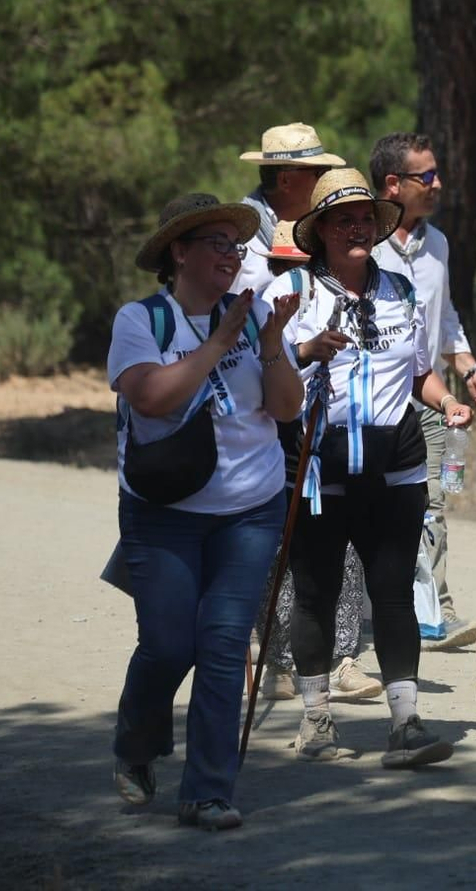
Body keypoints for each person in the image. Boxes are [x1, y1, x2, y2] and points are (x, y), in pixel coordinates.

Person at [109, 193, 304, 830]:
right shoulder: (142, 321)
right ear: (179, 252)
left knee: (222, 647)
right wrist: (219, 341)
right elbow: (152, 398)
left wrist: (269, 343)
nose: (231, 254)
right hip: (163, 511)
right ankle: (137, 744)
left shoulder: (255, 316)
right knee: (168, 647)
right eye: (216, 243)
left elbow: (286, 409)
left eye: (235, 245)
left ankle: (208, 791)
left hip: (250, 509)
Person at [267, 168, 473, 768]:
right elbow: (266, 372)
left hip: (396, 466)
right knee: (317, 592)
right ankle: (316, 720)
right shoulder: (292, 292)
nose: (357, 229)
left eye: (365, 219)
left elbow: (419, 372)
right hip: (319, 465)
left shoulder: (400, 290)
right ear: (321, 231)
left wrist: (447, 401)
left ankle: (406, 724)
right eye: (343, 221)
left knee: (393, 593)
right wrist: (305, 351)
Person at [369, 132, 476, 652]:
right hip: (370, 406)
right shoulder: (362, 244)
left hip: (427, 398)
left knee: (432, 504)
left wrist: (470, 370)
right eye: (427, 176)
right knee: (369, 509)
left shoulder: (439, 245)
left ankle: (435, 610)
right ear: (393, 184)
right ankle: (369, 610)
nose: (438, 184)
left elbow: (444, 320)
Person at [253, 220, 379, 704]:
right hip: (281, 442)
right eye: (281, 266)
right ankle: (276, 658)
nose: (292, 275)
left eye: (301, 265)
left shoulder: (349, 296)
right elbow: (256, 369)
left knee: (345, 552)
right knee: (281, 554)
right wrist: (304, 350)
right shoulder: (264, 305)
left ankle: (344, 657)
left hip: (338, 443)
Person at [232, 122, 345, 296]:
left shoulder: (326, 226)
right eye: (319, 172)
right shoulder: (237, 232)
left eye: (327, 171)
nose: (326, 180)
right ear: (284, 180)